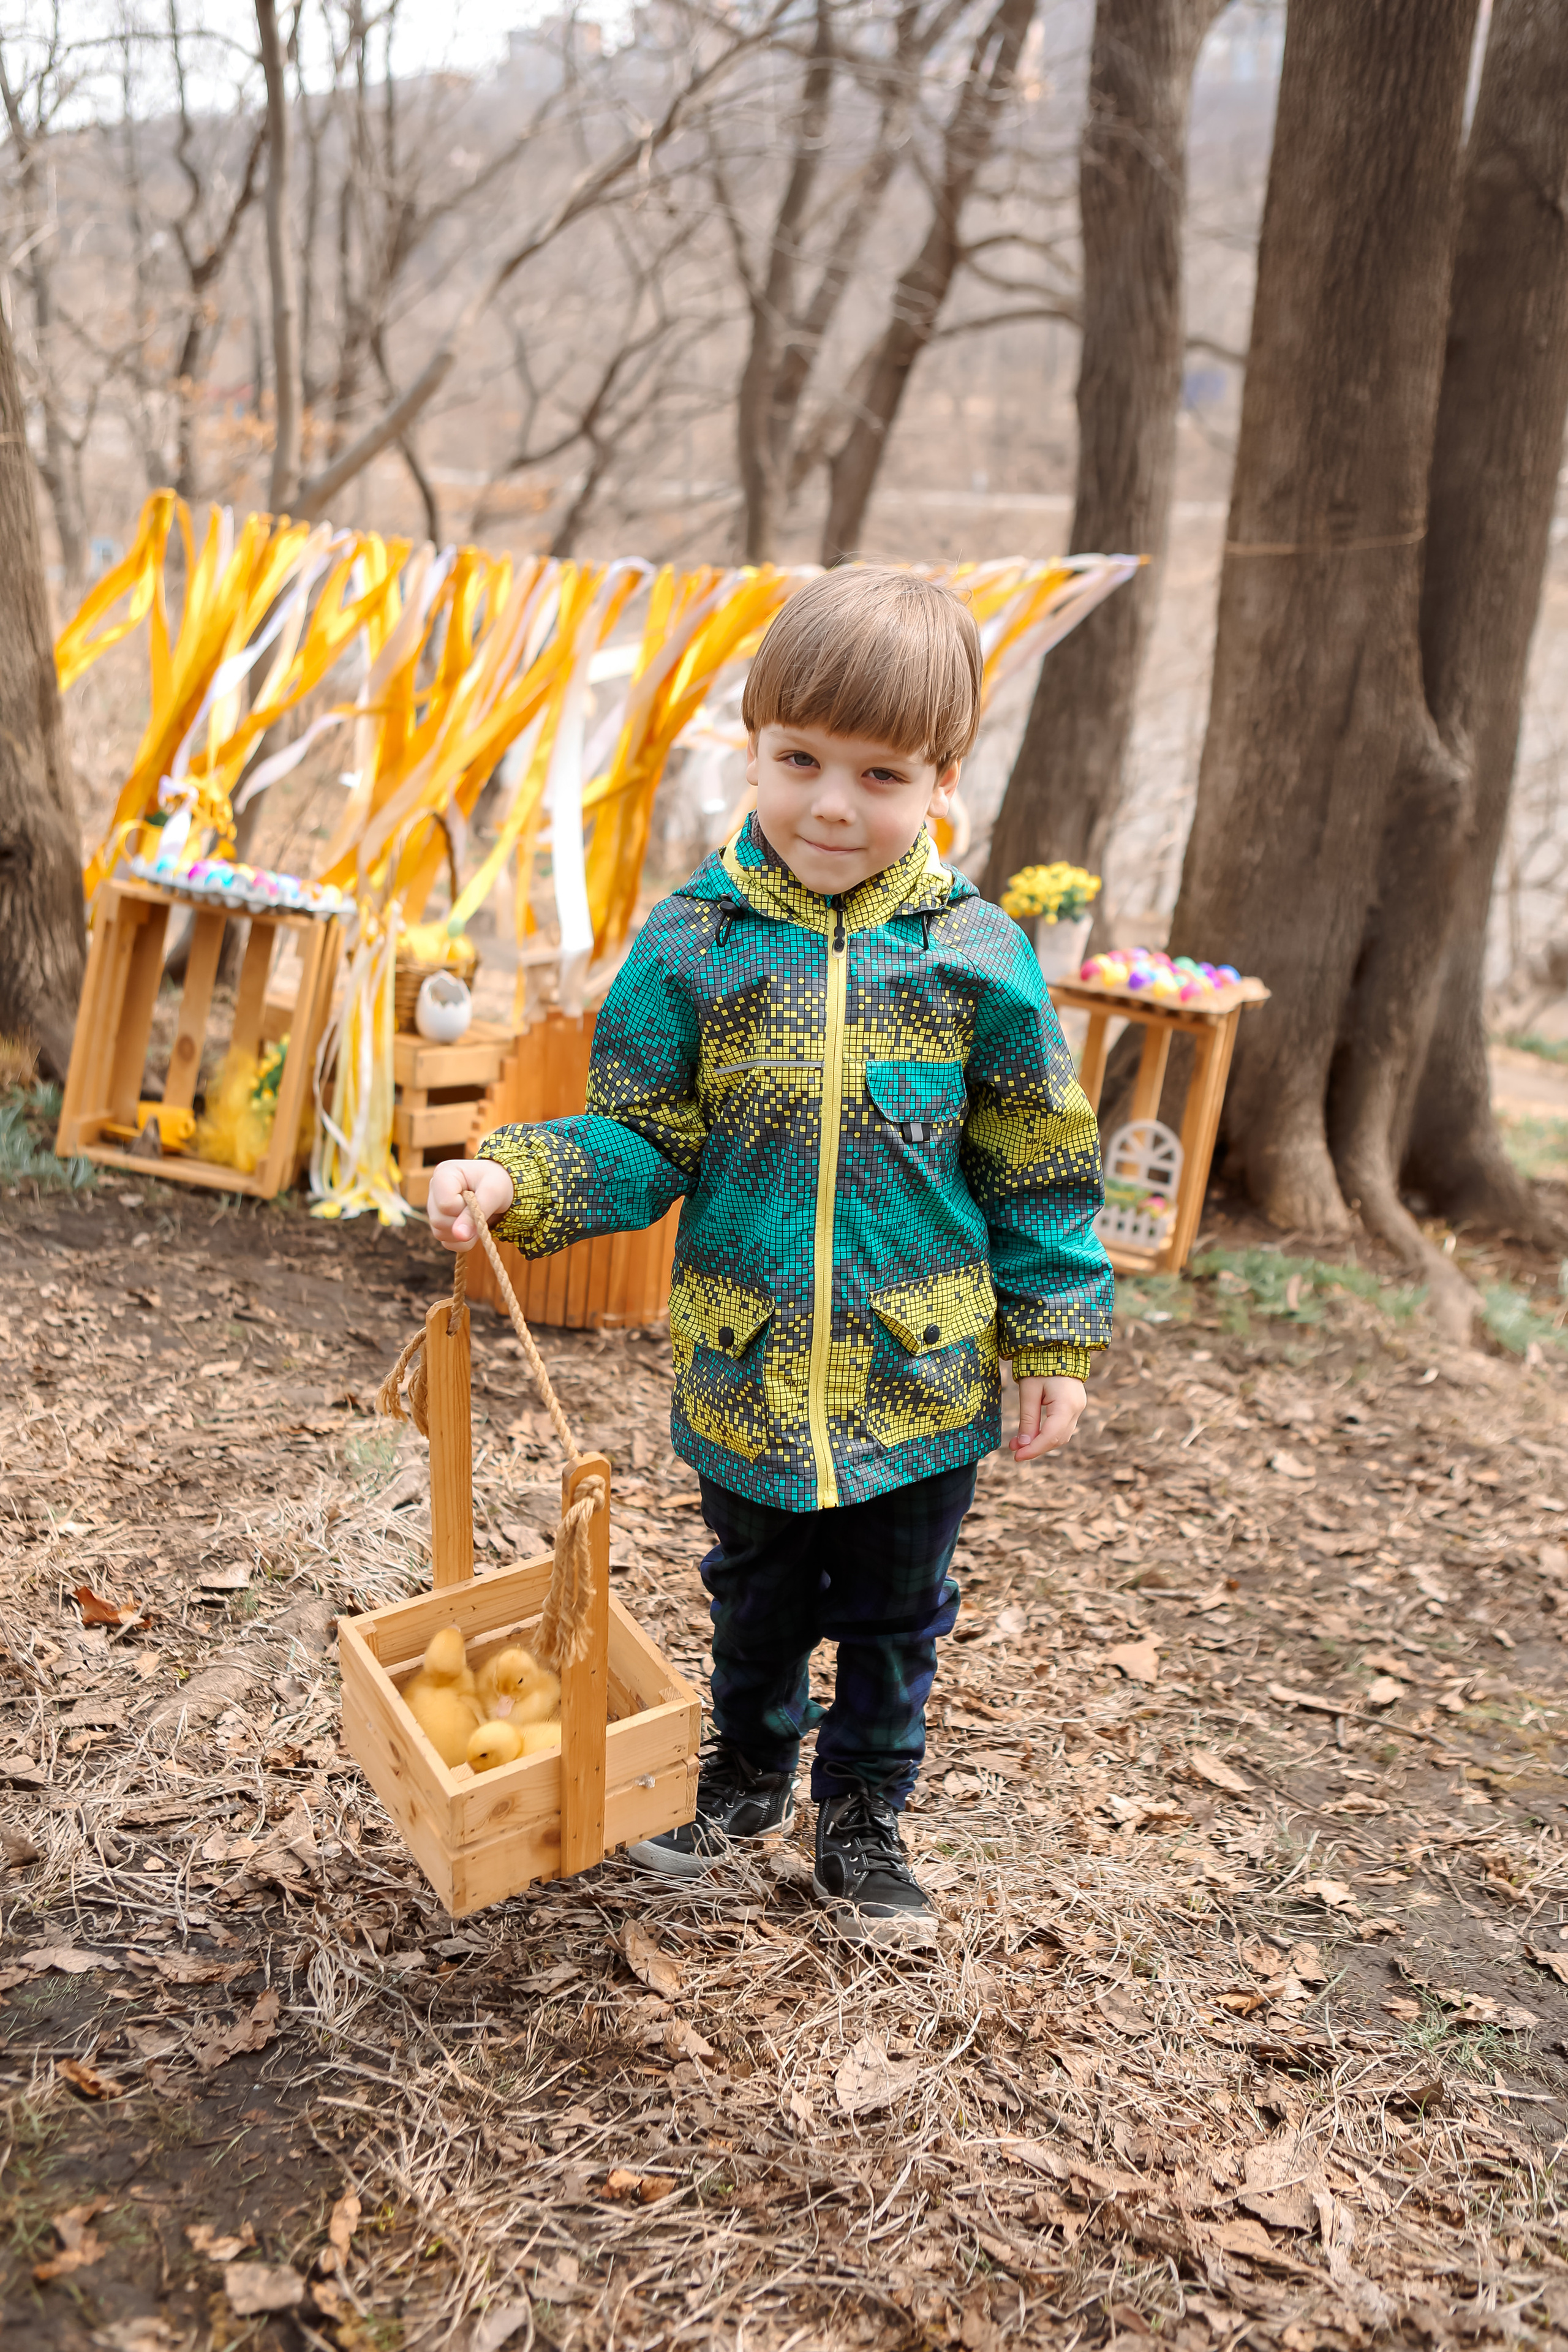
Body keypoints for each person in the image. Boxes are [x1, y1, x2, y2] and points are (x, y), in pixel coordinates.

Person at [427, 567, 1112, 1945]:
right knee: (750, 1593)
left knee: (894, 1610)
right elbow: (640, 1135)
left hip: (918, 1380)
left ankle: (862, 1814)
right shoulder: (693, 947)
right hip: (743, 1366)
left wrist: (1052, 1339)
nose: (831, 806)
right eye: (797, 760)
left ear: (940, 779)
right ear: (752, 747)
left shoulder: (978, 958)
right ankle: (744, 1767)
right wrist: (520, 1171)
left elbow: (1037, 1163)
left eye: (879, 774)